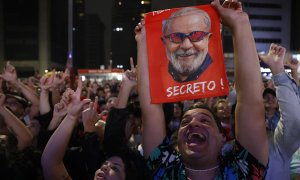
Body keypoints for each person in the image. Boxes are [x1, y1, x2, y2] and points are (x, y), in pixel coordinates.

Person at [135, 0, 268, 179]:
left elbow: (251, 103)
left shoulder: (243, 169)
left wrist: (240, 24)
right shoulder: (164, 167)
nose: (193, 124)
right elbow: (150, 109)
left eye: (205, 121)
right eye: (185, 122)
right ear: (177, 142)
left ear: (223, 139)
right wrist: (145, 42)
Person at [259, 43, 300, 179]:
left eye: (273, 97)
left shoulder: (278, 145)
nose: (195, 124)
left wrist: (278, 70)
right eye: (265, 98)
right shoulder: (225, 151)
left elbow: (294, 117)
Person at [161, 7, 212, 82]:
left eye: (196, 35)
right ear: (164, 42)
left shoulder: (220, 76)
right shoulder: (155, 79)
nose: (186, 45)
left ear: (208, 39)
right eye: (176, 37)